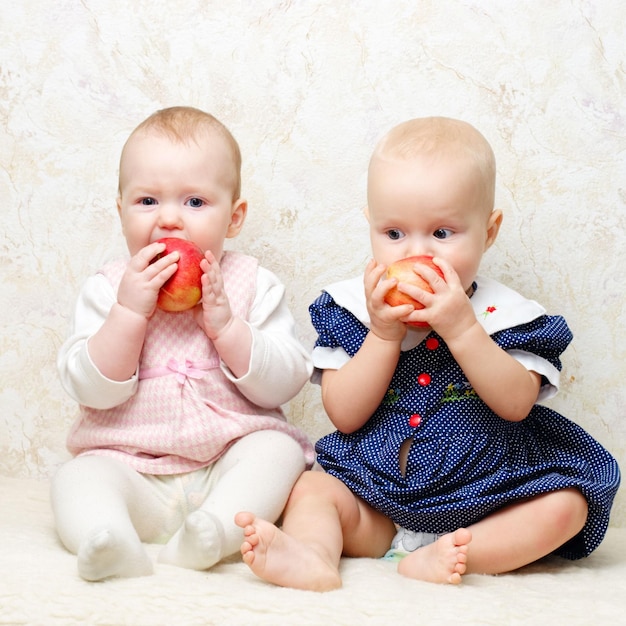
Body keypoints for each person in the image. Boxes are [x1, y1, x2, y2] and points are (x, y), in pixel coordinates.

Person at [235, 116, 621, 590]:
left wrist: (463, 328)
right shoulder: (355, 309)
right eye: (393, 234)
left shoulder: (509, 316)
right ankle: (314, 555)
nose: (415, 253)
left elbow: (516, 403)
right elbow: (345, 414)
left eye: (442, 234)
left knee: (568, 507)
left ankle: (459, 555)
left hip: (487, 499)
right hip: (374, 498)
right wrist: (382, 335)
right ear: (370, 226)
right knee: (312, 487)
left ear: (489, 229)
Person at [52, 106, 314, 582]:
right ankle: (111, 538)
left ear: (234, 218)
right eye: (147, 201)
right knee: (76, 478)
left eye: (194, 202)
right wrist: (129, 314)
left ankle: (212, 532)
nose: (169, 219)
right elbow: (89, 389)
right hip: (131, 471)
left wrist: (228, 327)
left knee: (280, 451)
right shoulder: (108, 289)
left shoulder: (252, 283)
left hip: (225, 467)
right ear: (121, 211)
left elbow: (286, 382)